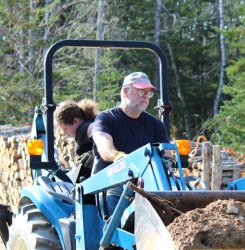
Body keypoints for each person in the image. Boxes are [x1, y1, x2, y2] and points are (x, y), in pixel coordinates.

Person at [91, 72, 169, 215]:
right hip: (112, 184)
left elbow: (166, 154)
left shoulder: (155, 124)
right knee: (113, 220)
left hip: (145, 186)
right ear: (125, 91)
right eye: (141, 91)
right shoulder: (106, 118)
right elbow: (103, 144)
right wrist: (117, 156)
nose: (146, 96)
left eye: (149, 92)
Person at [55, 98, 98, 181]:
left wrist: (96, 152)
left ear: (76, 121)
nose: (64, 133)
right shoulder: (89, 122)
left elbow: (99, 130)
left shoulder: (83, 128)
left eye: (65, 129)